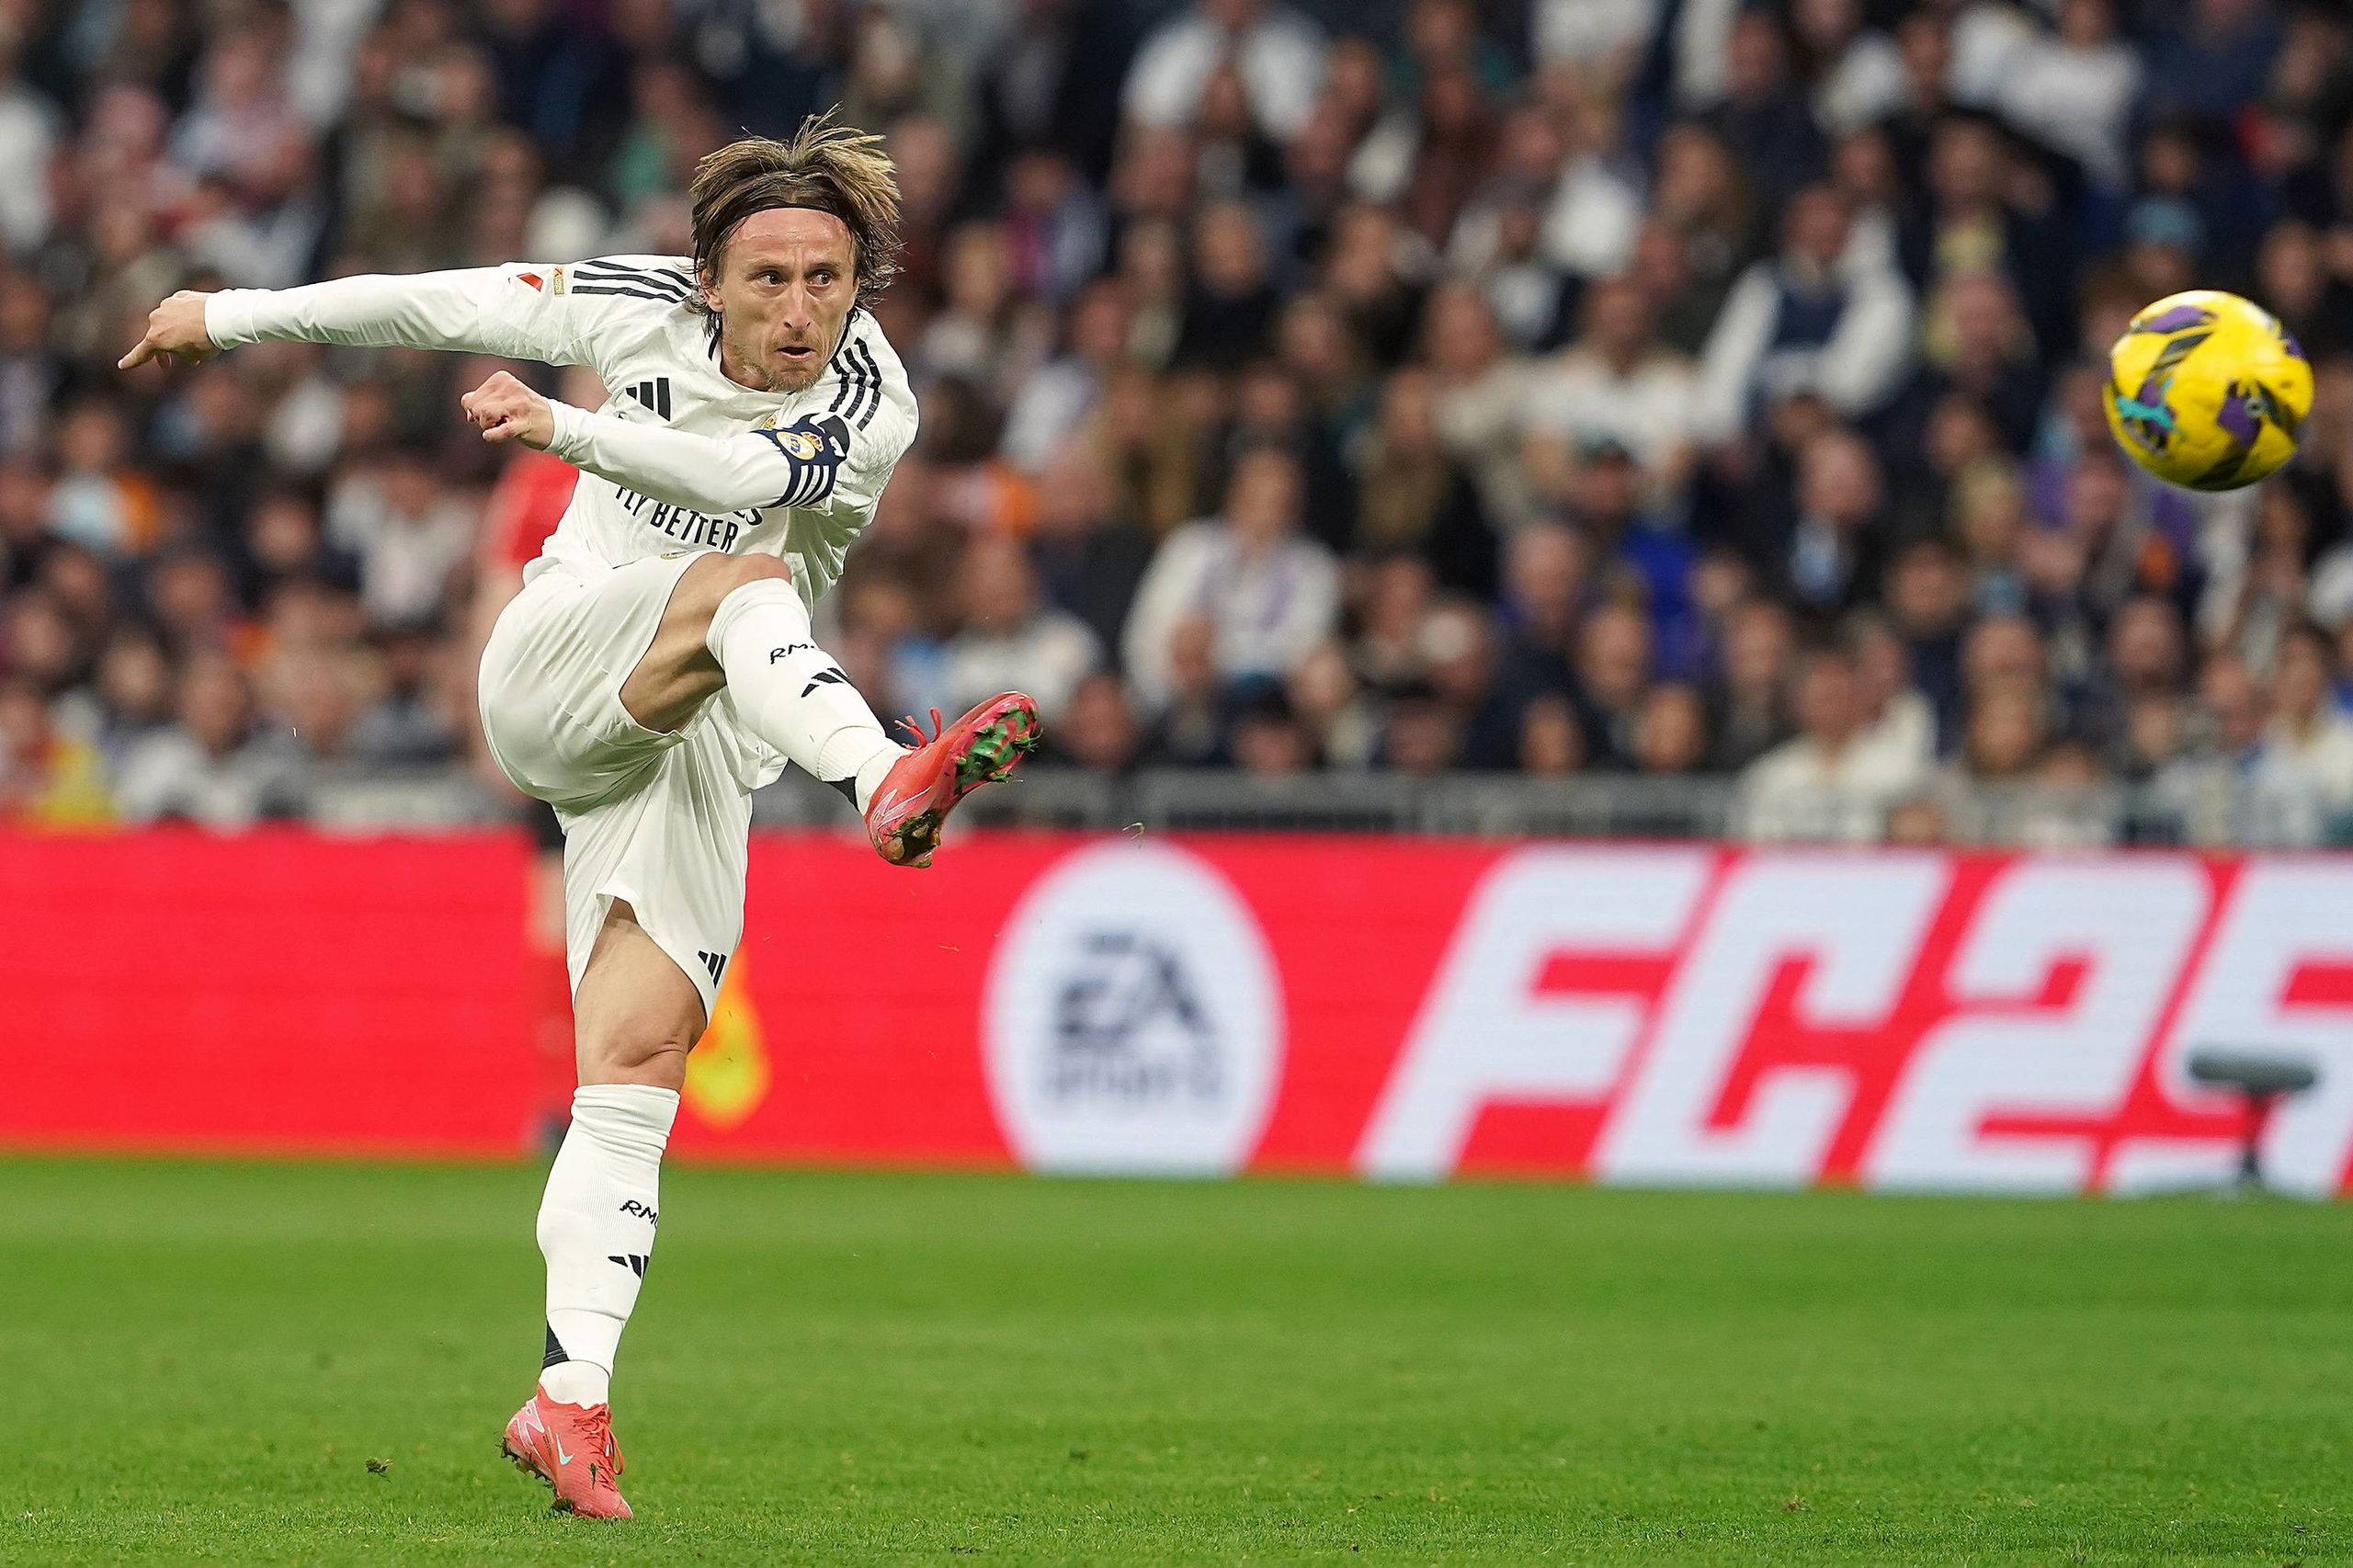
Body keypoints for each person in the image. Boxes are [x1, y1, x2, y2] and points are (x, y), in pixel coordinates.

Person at [119, 115, 1040, 1521]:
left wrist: (568, 427)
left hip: (701, 737)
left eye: (827, 278)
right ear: (709, 280)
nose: (800, 309)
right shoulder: (632, 303)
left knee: (634, 1069)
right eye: (770, 278)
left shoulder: (875, 397)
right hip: (558, 663)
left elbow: (743, 481)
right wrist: (228, 315)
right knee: (746, 587)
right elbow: (442, 302)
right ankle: (882, 780)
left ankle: (570, 1397)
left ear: (860, 284)